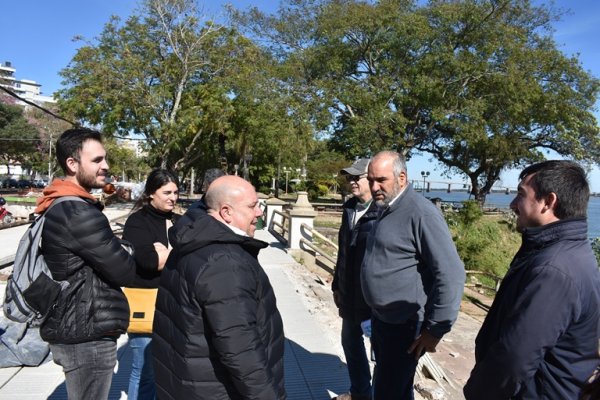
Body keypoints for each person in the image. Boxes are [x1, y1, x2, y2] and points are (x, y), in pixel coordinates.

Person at [463, 160, 600, 400]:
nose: (513, 204)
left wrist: (477, 393)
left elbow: (514, 357)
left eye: (521, 195)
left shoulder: (554, 270)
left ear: (549, 202)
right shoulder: (568, 252)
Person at [152, 175, 286, 399]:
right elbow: (241, 349)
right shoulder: (224, 261)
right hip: (217, 390)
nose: (260, 213)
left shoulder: (196, 241)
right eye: (253, 206)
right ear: (226, 212)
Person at [35, 128, 138, 399]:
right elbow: (125, 270)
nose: (106, 166)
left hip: (77, 327)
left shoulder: (59, 203)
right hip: (86, 334)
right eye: (97, 160)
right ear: (72, 163)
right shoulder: (77, 212)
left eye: (104, 159)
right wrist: (131, 250)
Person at [361, 150, 465, 400]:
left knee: (389, 391)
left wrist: (436, 329)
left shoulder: (421, 213)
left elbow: (451, 273)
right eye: (371, 180)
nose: (374, 187)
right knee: (393, 387)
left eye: (381, 180)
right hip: (382, 320)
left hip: (405, 326)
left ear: (402, 178)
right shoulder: (385, 207)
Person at [122, 169, 180, 400]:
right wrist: (176, 253)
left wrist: (167, 253)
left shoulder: (177, 221)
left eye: (176, 192)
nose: (173, 198)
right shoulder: (138, 222)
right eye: (166, 192)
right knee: (145, 370)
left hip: (173, 303)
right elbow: (148, 262)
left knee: (169, 368)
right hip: (146, 304)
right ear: (150, 194)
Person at [332, 158, 378, 400]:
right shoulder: (350, 207)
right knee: (350, 342)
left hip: (374, 299)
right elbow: (343, 251)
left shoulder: (383, 211)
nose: (351, 182)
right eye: (349, 177)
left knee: (381, 352)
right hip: (349, 293)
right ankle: (361, 392)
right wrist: (336, 285)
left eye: (356, 177)